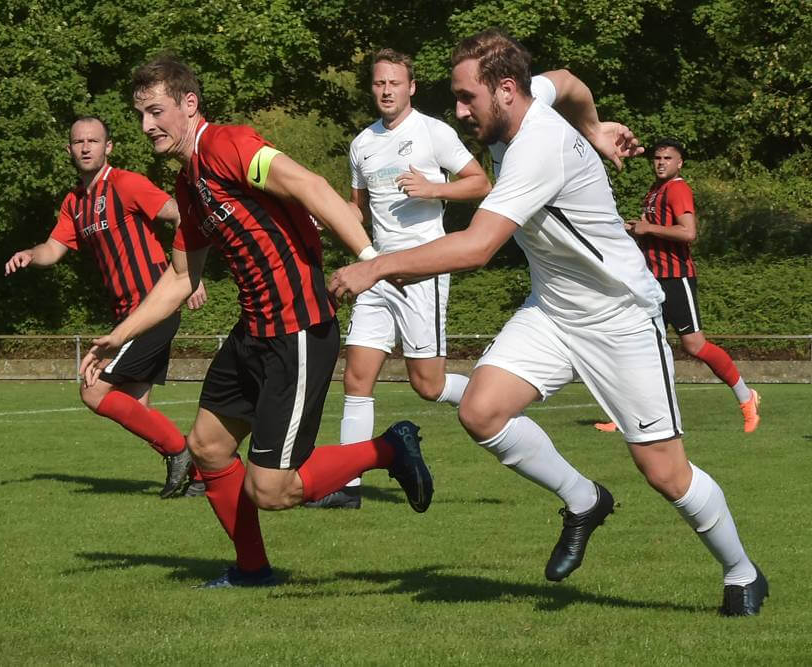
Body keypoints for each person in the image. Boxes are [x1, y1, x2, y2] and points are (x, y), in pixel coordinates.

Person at [329, 29, 767, 616]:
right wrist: (595, 126)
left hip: (619, 319)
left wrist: (377, 267)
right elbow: (568, 81)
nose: (459, 112)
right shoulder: (526, 96)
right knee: (480, 410)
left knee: (665, 473)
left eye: (467, 99)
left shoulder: (536, 147)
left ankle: (742, 573)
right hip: (553, 311)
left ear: (504, 91)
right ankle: (584, 499)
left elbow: (478, 246)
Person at [79, 57, 435, 588]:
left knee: (271, 490)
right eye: (140, 115)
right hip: (252, 333)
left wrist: (367, 256)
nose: (146, 126)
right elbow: (181, 279)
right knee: (206, 447)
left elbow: (309, 184)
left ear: (189, 104)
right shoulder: (188, 183)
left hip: (297, 333)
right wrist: (120, 334)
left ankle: (390, 448)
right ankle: (252, 570)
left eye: (156, 112)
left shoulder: (227, 145)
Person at [306, 49, 492, 510]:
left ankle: (495, 396)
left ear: (411, 87)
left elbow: (480, 183)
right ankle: (346, 486)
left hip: (422, 270)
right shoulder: (362, 143)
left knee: (426, 385)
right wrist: (321, 218)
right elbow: (356, 209)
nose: (386, 90)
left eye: (394, 83)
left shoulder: (433, 132)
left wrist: (435, 189)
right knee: (356, 378)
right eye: (378, 83)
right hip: (376, 271)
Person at [5, 115, 205, 499]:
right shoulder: (74, 203)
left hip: (152, 307)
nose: (85, 147)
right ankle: (201, 474)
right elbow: (54, 249)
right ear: (69, 150)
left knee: (93, 390)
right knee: (135, 408)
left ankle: (181, 453)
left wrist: (191, 274)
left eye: (93, 141)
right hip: (126, 314)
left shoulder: (126, 183)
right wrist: (31, 254)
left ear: (108, 147)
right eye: (78, 142)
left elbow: (181, 213)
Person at [593, 138, 760, 434]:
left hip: (676, 278)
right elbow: (653, 230)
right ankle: (627, 418)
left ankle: (747, 398)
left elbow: (688, 232)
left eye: (667, 158)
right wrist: (634, 230)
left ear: (679, 163)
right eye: (657, 158)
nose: (660, 162)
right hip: (651, 279)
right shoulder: (655, 190)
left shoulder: (678, 188)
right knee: (639, 345)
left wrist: (648, 228)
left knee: (694, 345)